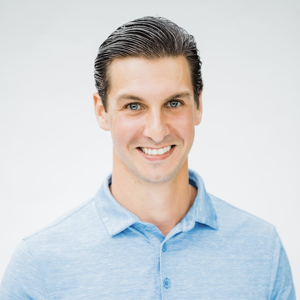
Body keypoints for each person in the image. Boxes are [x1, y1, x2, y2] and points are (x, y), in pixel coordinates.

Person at [0, 16, 296, 300]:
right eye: (133, 106)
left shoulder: (262, 249)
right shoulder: (39, 264)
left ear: (198, 106)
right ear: (101, 111)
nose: (156, 131)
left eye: (174, 103)